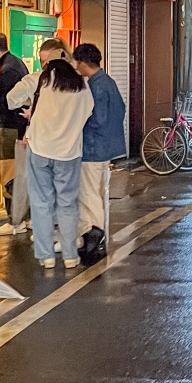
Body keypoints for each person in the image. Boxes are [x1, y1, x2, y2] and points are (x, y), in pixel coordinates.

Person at [24, 58, 93, 268]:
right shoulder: (81, 85)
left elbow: (13, 97)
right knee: (68, 204)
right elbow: (88, 111)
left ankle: (46, 257)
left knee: (41, 203)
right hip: (69, 152)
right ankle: (71, 255)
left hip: (39, 150)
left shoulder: (44, 81)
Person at [73, 42, 127, 262]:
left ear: (84, 63)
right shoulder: (107, 82)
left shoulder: (96, 86)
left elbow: (97, 118)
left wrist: (78, 124)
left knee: (89, 193)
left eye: (77, 62)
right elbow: (120, 109)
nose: (76, 66)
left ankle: (95, 235)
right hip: (107, 146)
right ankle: (96, 236)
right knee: (97, 193)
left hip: (93, 147)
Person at [0, 33, 29, 235]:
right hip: (17, 125)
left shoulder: (8, 70)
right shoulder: (15, 64)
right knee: (16, 172)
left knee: (9, 173)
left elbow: (9, 102)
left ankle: (15, 220)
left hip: (10, 126)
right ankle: (21, 218)